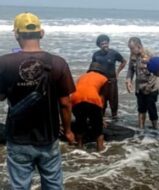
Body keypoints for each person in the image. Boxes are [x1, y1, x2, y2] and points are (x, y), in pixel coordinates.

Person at [0, 12, 75, 189]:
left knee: (19, 186)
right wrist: (69, 131)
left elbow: (1, 97)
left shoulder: (4, 63)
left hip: (18, 138)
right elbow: (65, 103)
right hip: (48, 138)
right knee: (53, 184)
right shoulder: (58, 63)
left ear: (16, 34)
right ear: (41, 33)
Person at [70, 62, 109, 151]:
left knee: (80, 122)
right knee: (98, 127)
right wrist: (101, 117)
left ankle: (79, 147)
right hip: (93, 99)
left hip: (75, 99)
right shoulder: (103, 78)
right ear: (101, 71)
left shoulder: (81, 77)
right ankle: (100, 149)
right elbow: (102, 98)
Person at [126, 37, 159, 129]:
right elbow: (130, 69)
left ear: (139, 46)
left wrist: (148, 88)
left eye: (132, 48)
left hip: (152, 86)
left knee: (151, 108)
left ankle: (155, 129)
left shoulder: (150, 54)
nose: (131, 51)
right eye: (130, 48)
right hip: (139, 86)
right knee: (141, 108)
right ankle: (141, 129)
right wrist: (129, 80)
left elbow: (156, 72)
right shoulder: (133, 55)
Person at [92, 34, 127, 119]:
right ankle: (101, 120)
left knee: (113, 102)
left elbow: (124, 61)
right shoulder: (96, 55)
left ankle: (114, 119)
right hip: (100, 82)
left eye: (106, 43)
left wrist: (117, 72)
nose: (105, 45)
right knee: (101, 102)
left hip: (112, 81)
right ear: (99, 45)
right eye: (102, 44)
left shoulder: (114, 53)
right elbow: (92, 67)